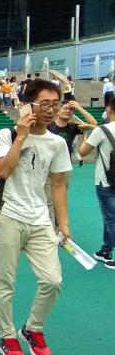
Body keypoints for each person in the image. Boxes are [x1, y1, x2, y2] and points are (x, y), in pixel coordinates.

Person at [0, 79, 73, 355]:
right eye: (44, 104)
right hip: (7, 216)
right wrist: (22, 136)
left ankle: (32, 328)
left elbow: (58, 183)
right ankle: (6, 335)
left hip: (40, 220)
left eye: (55, 104)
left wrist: (63, 224)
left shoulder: (57, 143)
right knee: (5, 281)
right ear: (28, 105)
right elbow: (3, 171)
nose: (51, 110)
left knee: (53, 280)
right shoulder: (6, 134)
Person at [77, 93, 115, 269]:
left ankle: (108, 250)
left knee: (110, 218)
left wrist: (86, 137)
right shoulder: (102, 129)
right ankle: (105, 250)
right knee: (110, 216)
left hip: (106, 180)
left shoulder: (101, 130)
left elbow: (83, 152)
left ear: (109, 108)